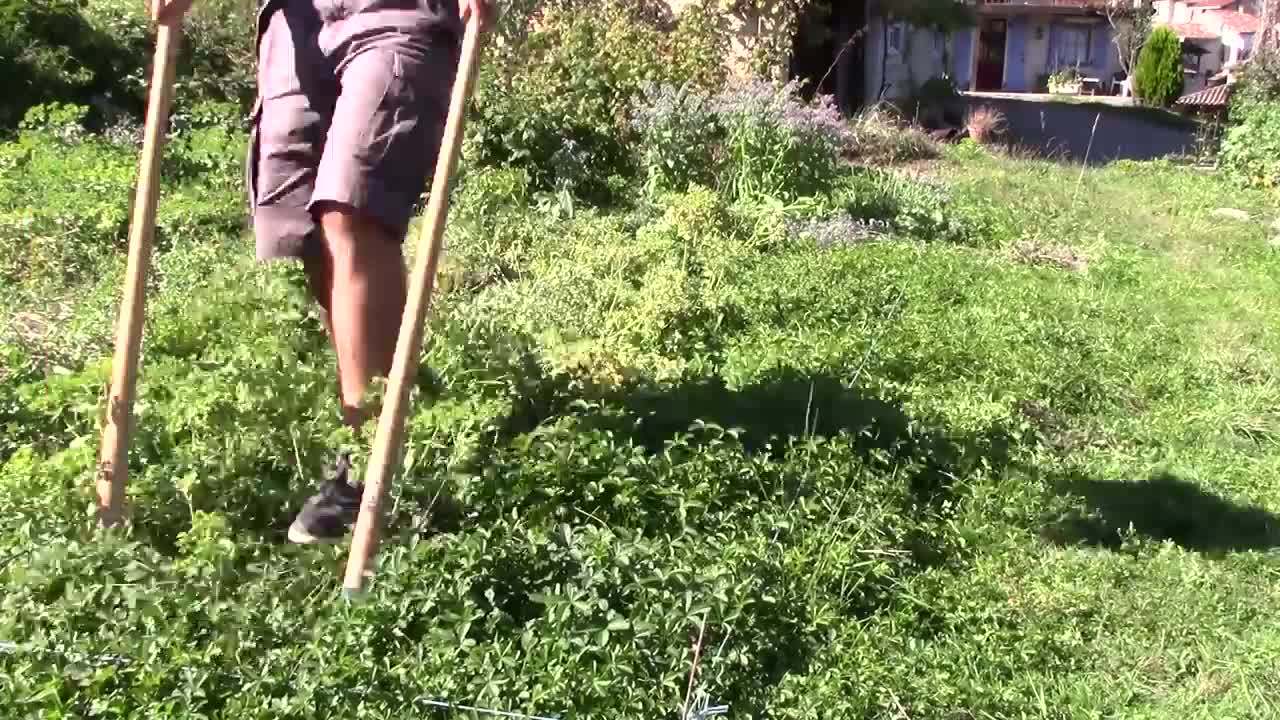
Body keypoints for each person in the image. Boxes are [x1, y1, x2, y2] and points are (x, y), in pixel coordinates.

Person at [152, 0, 493, 544]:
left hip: (392, 12)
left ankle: (372, 470)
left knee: (351, 207)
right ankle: (390, 418)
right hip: (293, 20)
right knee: (303, 224)